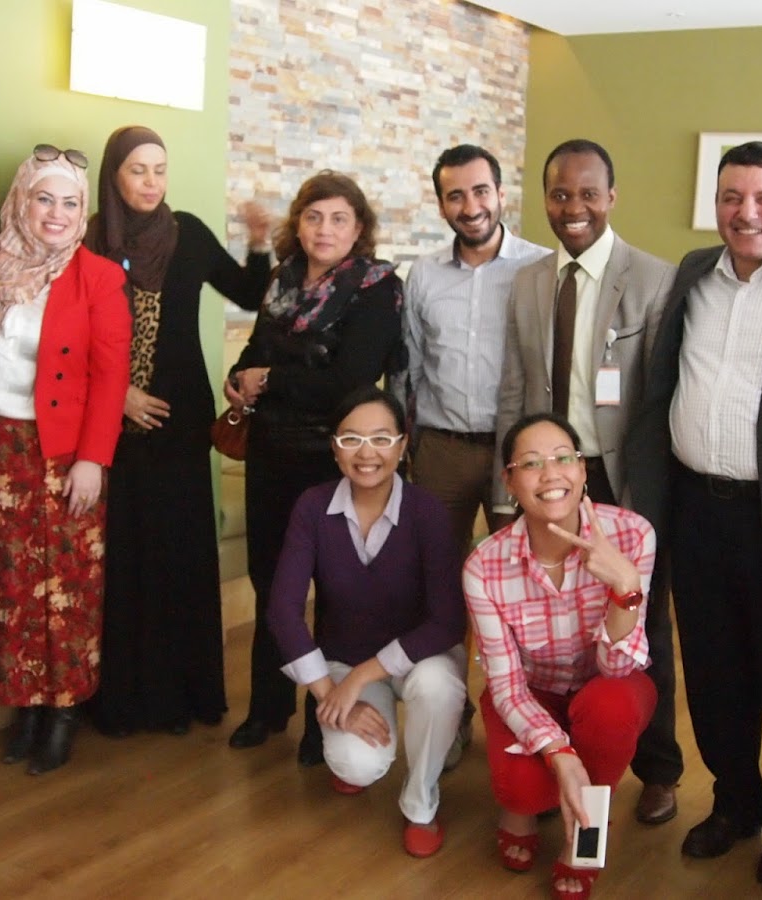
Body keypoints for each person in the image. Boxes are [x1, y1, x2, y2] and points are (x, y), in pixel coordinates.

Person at [622, 141, 762, 888]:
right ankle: (734, 802)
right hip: (697, 509)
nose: (745, 212)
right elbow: (661, 391)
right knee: (714, 674)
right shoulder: (696, 271)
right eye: (731, 197)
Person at [492, 138, 682, 826]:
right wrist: (503, 491)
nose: (574, 207)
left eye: (588, 193)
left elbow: (658, 402)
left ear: (612, 197)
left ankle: (659, 770)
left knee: (639, 620)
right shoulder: (529, 281)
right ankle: (559, 759)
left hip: (617, 476)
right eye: (560, 194)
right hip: (546, 476)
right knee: (550, 623)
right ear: (545, 200)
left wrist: (645, 502)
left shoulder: (654, 279)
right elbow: (514, 390)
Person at [82, 125, 272, 737]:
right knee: (123, 555)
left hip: (181, 420)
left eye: (159, 170)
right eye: (138, 170)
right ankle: (123, 699)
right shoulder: (90, 239)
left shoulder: (185, 232)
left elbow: (250, 292)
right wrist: (118, 395)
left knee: (178, 552)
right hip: (111, 423)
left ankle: (181, 696)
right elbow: (68, 333)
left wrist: (260, 243)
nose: (151, 182)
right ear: (114, 175)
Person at [225, 170, 405, 768]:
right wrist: (240, 379)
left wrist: (272, 379)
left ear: (359, 229)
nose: (324, 229)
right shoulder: (281, 280)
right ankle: (267, 707)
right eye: (313, 217)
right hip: (270, 451)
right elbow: (255, 352)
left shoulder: (376, 287)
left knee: (332, 589)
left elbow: (349, 382)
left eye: (338, 219)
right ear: (298, 225)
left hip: (333, 459)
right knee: (270, 582)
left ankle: (319, 718)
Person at [0, 144, 130, 775]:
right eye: (43, 199)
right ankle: (24, 707)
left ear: (83, 212)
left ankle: (62, 714)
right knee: (5, 584)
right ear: (20, 201)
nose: (56, 214)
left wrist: (93, 458)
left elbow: (110, 376)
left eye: (70, 203)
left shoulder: (98, 277)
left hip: (62, 454)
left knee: (65, 587)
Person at [464, 412, 659, 900]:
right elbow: (506, 686)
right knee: (521, 790)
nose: (550, 474)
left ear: (583, 468)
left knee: (610, 705)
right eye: (530, 464)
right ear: (509, 481)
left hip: (606, 688)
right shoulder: (484, 565)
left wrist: (624, 588)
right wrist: (561, 755)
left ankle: (587, 827)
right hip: (532, 694)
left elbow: (619, 668)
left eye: (562, 458)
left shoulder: (632, 534)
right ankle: (530, 808)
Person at [266, 386, 467, 857]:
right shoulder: (313, 507)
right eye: (351, 439)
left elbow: (447, 621)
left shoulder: (427, 511)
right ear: (334, 448)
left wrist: (361, 677)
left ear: (402, 444)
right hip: (346, 654)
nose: (366, 453)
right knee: (356, 764)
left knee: (439, 688)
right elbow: (283, 610)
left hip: (421, 658)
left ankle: (420, 803)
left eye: (380, 438)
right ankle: (368, 751)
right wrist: (329, 694)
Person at [397, 143, 546, 769]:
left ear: (501, 193)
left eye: (480, 191)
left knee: (522, 594)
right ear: (441, 205)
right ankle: (450, 717)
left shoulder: (539, 268)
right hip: (442, 451)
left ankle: (525, 726)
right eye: (455, 195)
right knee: (439, 591)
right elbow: (408, 366)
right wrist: (403, 448)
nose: (470, 205)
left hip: (517, 455)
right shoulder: (423, 275)